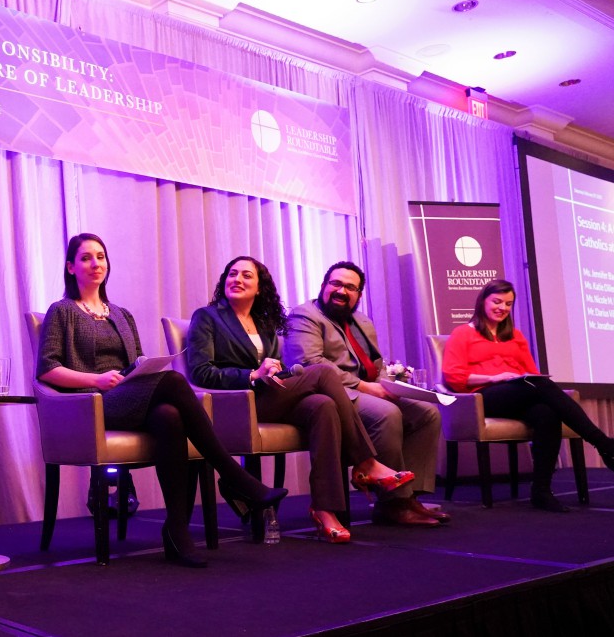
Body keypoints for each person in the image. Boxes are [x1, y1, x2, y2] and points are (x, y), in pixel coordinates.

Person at [36, 234, 287, 567]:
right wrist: (94, 379)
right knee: (172, 380)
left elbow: (137, 363)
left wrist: (139, 370)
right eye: (85, 258)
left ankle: (177, 532)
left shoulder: (122, 315)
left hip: (126, 397)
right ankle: (235, 477)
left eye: (100, 256)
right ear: (71, 267)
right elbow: (47, 370)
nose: (95, 264)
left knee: (169, 414)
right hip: (90, 404)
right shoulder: (61, 311)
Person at [187, 256, 415, 543]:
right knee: (322, 372)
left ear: (259, 287)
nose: (237, 279)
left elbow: (273, 365)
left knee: (324, 405)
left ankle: (324, 509)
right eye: (232, 274)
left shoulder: (264, 322)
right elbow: (200, 372)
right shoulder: (207, 317)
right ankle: (366, 464)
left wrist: (275, 371)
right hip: (237, 402)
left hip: (270, 396)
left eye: (246, 275)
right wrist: (251, 375)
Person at [285, 261, 448, 527]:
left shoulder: (362, 321)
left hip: (365, 389)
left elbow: (375, 365)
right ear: (324, 286)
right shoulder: (305, 316)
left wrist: (393, 386)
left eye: (350, 287)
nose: (341, 291)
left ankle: (410, 497)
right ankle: (391, 503)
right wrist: (366, 387)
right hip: (328, 393)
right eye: (335, 284)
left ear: (359, 295)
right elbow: (309, 363)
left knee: (427, 413)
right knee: (387, 413)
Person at [443, 279, 614, 512]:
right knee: (540, 386)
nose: (502, 307)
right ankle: (603, 443)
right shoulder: (463, 333)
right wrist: (494, 378)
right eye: (497, 301)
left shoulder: (515, 335)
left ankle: (541, 491)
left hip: (517, 393)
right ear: (483, 301)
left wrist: (519, 379)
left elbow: (531, 373)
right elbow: (453, 376)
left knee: (546, 412)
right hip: (482, 398)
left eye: (508, 303)